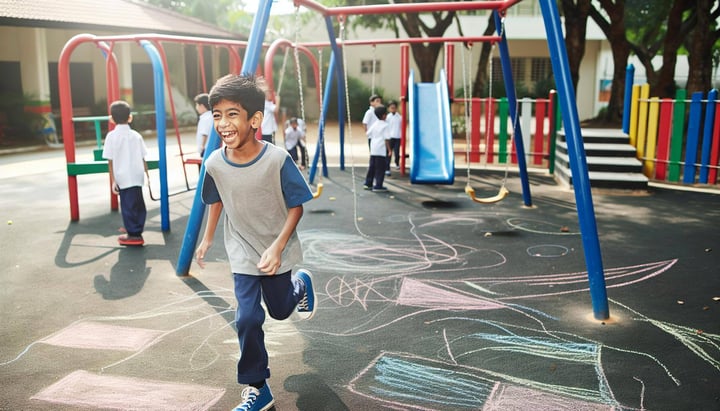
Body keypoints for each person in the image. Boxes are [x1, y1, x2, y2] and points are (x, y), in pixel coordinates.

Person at [194, 74, 316, 411]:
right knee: (247, 318)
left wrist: (277, 247)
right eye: (216, 115)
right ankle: (257, 386)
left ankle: (300, 285)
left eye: (232, 114)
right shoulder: (215, 162)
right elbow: (216, 199)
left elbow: (297, 206)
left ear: (255, 119)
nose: (223, 123)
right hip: (242, 252)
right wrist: (206, 240)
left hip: (277, 249)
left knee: (279, 310)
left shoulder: (277, 159)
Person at [102, 100, 149, 246]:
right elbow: (143, 157)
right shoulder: (136, 135)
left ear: (111, 119)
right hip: (137, 175)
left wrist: (113, 180)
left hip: (122, 177)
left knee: (128, 206)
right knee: (138, 203)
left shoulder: (111, 136)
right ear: (130, 117)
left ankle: (134, 234)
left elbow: (109, 160)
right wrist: (147, 174)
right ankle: (136, 227)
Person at [364, 104, 391, 192]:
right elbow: (387, 139)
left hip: (373, 147)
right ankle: (378, 185)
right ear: (384, 115)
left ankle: (368, 183)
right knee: (380, 168)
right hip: (381, 149)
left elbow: (368, 133)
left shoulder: (375, 124)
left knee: (372, 166)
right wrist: (389, 150)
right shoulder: (385, 125)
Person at [385, 100, 402, 175]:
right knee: (388, 153)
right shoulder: (387, 117)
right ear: (389, 108)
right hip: (390, 137)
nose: (393, 109)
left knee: (397, 152)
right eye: (391, 108)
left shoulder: (399, 117)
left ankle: (397, 163)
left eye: (394, 108)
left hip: (398, 137)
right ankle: (387, 168)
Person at [194, 93, 213, 158]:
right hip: (211, 147)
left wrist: (202, 146)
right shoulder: (212, 116)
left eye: (197, 105)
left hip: (205, 148)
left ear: (202, 106)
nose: (196, 108)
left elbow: (204, 134)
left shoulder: (205, 118)